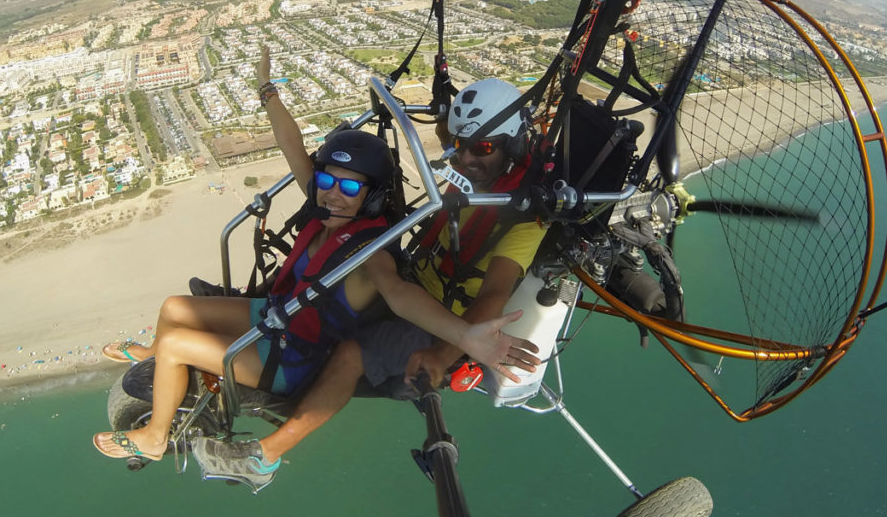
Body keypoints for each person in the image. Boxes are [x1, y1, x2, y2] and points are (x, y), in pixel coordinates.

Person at [93, 52, 538, 464]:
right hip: (276, 317)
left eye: (349, 188)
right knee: (173, 309)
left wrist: (466, 337)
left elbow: (400, 296)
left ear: (369, 197)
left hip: (293, 356)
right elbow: (292, 147)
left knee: (176, 345)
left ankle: (154, 437)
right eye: (327, 181)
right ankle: (155, 356)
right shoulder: (326, 206)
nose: (333, 193)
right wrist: (268, 89)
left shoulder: (367, 247)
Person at [209, 77, 549, 487]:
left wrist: (445, 354)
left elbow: (494, 292)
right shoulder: (472, 177)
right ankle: (263, 337)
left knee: (352, 352)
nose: (466, 158)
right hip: (416, 282)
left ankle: (267, 456)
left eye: (483, 148)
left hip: (442, 322)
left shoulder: (522, 219)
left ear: (510, 146)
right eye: (459, 145)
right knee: (338, 274)